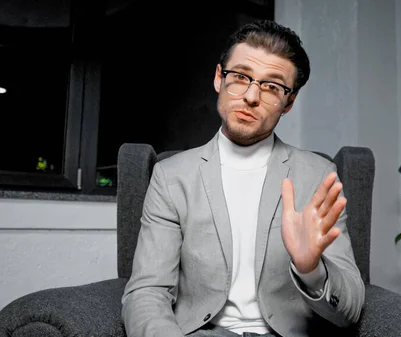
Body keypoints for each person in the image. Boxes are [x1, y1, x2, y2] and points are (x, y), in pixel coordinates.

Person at [121, 19, 365, 337]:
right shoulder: (172, 178)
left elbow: (352, 308)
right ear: (219, 78)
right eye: (241, 77)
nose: (251, 97)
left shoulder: (318, 176)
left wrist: (311, 270)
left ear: (288, 102)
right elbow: (146, 293)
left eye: (272, 87)